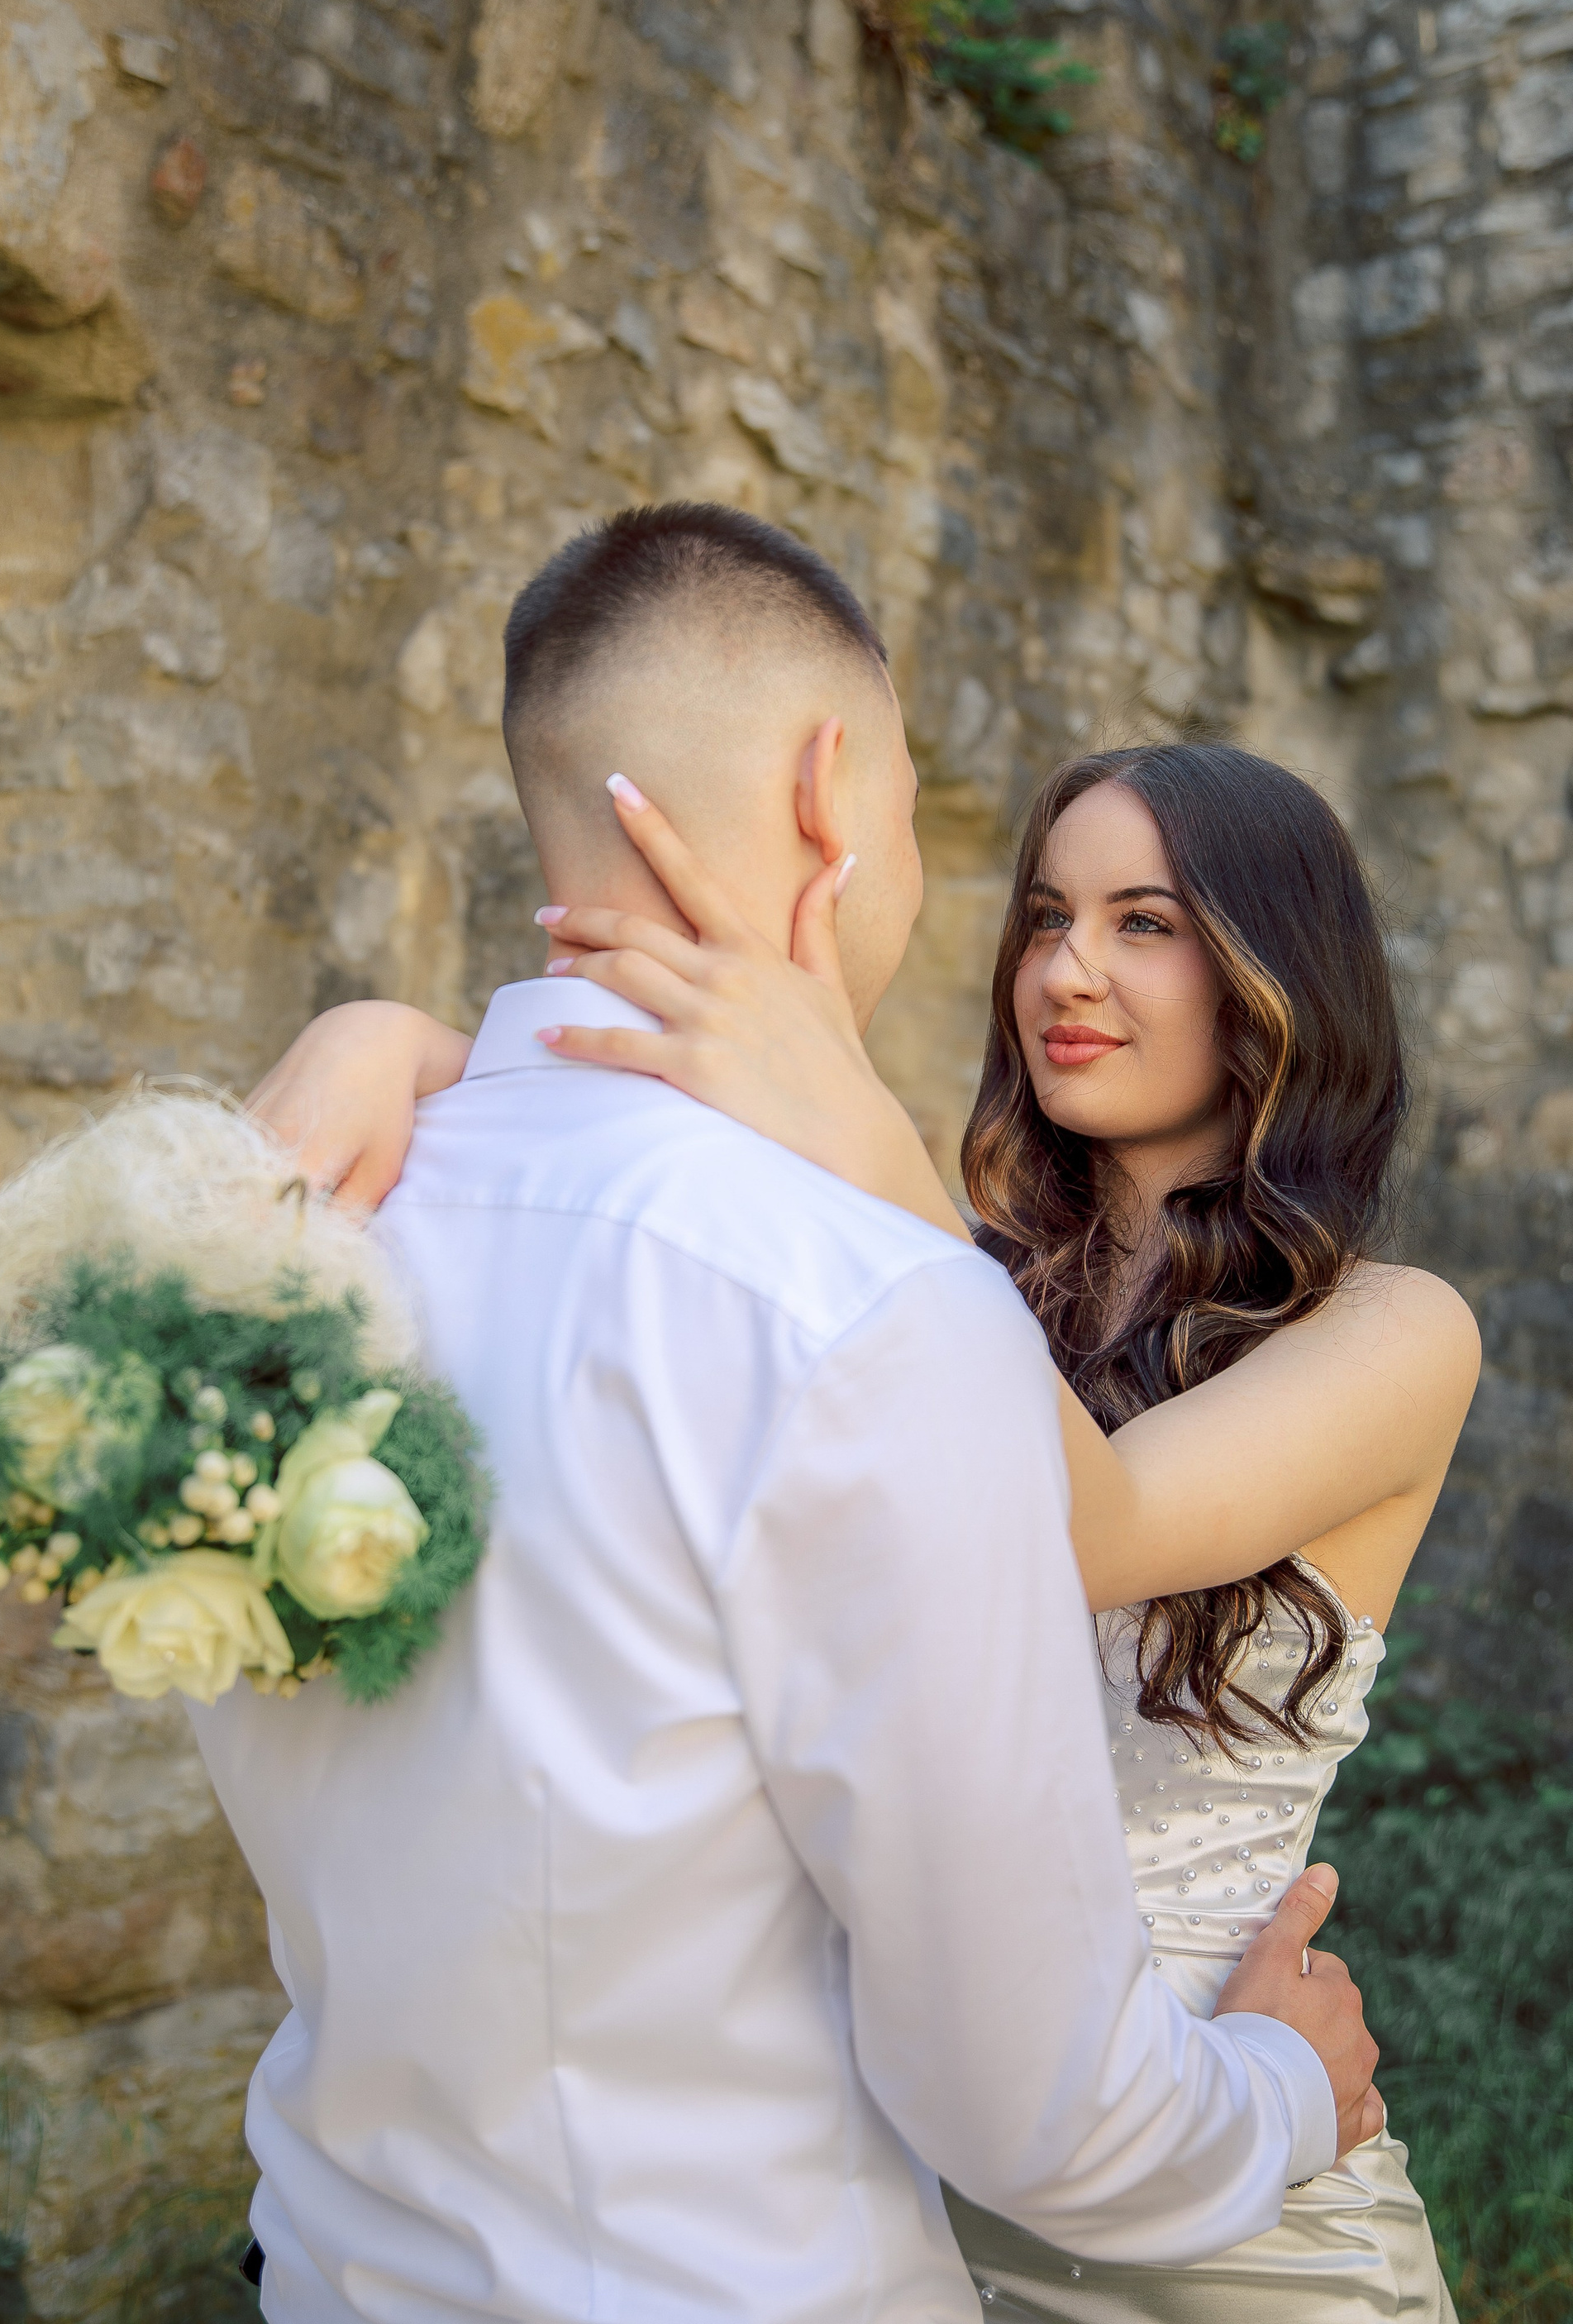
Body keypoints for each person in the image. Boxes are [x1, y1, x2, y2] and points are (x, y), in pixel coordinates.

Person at [209, 501, 1388, 2324]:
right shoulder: (893, 1299)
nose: (1063, 967)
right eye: (1041, 910)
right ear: (838, 797)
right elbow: (1038, 2103)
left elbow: (1112, 1521)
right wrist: (1288, 2086)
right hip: (896, 2212)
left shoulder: (295, 1229)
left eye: (1146, 923)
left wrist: (431, 1049)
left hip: (348, 2261)